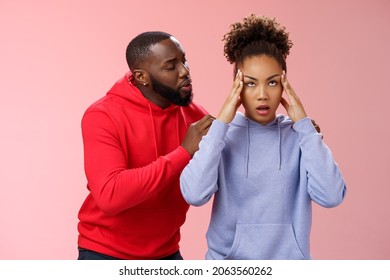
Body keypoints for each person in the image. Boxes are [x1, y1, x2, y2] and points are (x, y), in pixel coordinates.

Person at [180, 14, 347, 260]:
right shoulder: (220, 137)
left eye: (271, 83)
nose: (261, 95)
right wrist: (221, 125)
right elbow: (194, 194)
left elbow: (332, 196)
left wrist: (303, 125)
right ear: (236, 86)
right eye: (250, 83)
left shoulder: (300, 136)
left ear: (284, 85)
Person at [77, 31, 214, 260]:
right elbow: (110, 196)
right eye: (171, 66)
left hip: (167, 253)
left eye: (184, 60)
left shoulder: (195, 117)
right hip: (105, 255)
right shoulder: (103, 115)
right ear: (142, 77)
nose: (185, 71)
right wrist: (183, 152)